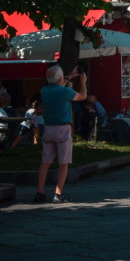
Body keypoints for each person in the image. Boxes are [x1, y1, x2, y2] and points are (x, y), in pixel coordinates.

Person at [36, 65, 87, 204]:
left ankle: (40, 193)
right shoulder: (65, 91)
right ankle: (58, 194)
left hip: (48, 129)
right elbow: (83, 96)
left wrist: (69, 76)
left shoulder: (44, 91)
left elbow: (58, 85)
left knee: (45, 163)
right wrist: (83, 82)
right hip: (63, 129)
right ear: (60, 78)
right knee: (63, 163)